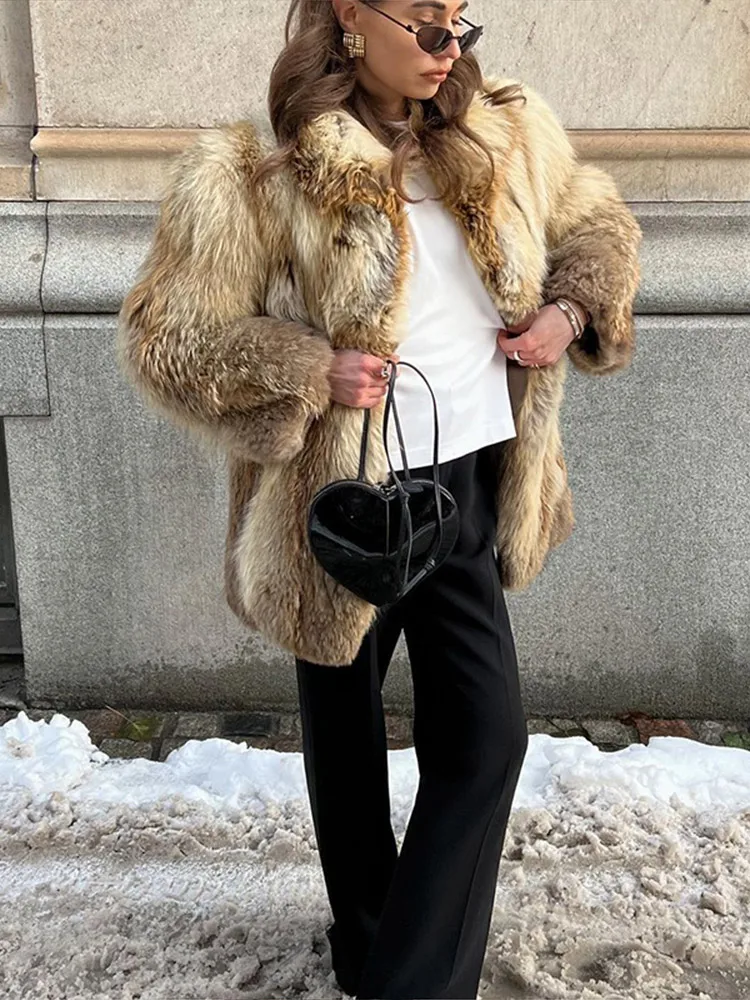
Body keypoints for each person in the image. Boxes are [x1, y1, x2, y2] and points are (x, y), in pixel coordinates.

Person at [116, 1, 642, 996]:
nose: (452, 52)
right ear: (353, 16)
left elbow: (600, 228)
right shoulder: (257, 173)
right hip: (337, 500)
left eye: (462, 27)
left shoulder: (509, 132)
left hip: (469, 487)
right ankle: (366, 944)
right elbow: (165, 340)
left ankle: (407, 977)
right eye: (428, 27)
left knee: (486, 742)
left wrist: (566, 311)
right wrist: (306, 367)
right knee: (347, 743)